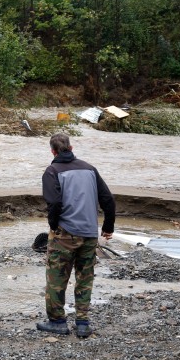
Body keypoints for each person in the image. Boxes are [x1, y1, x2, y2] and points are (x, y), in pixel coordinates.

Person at [38, 133, 116, 338]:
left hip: (64, 233)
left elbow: (54, 203)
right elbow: (108, 199)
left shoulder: (52, 171)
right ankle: (82, 322)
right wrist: (108, 227)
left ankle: (57, 321)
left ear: (52, 151)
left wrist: (53, 225)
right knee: (85, 278)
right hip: (89, 233)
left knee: (56, 278)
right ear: (71, 149)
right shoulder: (89, 169)